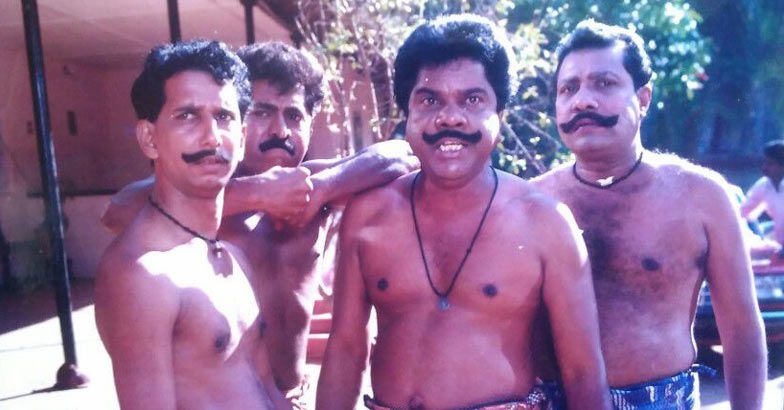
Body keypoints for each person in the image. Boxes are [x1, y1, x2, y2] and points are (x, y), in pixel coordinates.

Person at [317, 14, 611, 410]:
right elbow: (346, 349)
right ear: (407, 113)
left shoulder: (546, 223)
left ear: (500, 115)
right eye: (429, 100)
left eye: (472, 100)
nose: (450, 118)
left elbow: (582, 372)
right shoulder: (368, 216)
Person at [101, 41, 417, 405]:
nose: (280, 131)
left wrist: (319, 191)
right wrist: (258, 194)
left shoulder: (312, 185)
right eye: (263, 113)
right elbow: (118, 210)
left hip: (286, 395)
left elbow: (399, 155)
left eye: (294, 116)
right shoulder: (198, 196)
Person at [532, 20, 767, 409]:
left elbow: (742, 331)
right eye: (568, 89)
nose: (583, 101)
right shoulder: (532, 202)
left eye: (604, 83)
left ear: (642, 99)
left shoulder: (702, 196)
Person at [94, 40, 289, 409]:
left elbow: (266, 388)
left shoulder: (231, 256)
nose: (212, 137)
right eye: (187, 116)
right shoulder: (141, 273)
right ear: (149, 138)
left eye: (224, 116)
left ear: (242, 138)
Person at [741, 139, 784, 251]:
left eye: (770, 164)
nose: (764, 168)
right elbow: (743, 213)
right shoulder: (764, 185)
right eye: (764, 162)